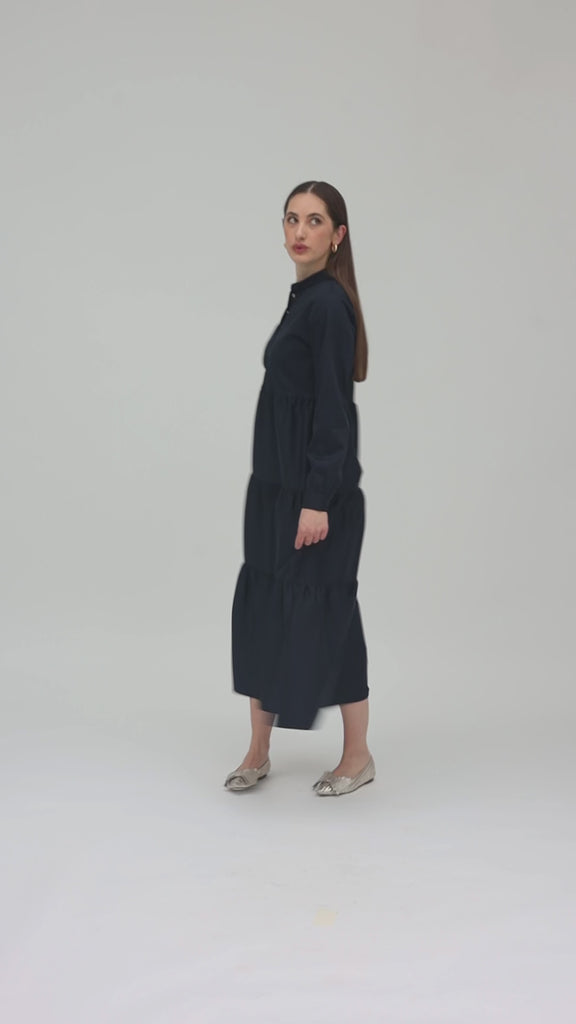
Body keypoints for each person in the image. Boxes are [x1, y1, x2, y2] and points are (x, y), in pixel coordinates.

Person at [226, 180, 374, 797]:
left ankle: (357, 756)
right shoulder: (303, 298)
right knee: (266, 609)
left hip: (315, 496)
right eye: (292, 219)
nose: (300, 231)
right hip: (275, 492)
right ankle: (258, 750)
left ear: (338, 236)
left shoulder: (329, 305)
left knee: (329, 615)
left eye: (315, 221)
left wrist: (316, 500)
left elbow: (334, 414)